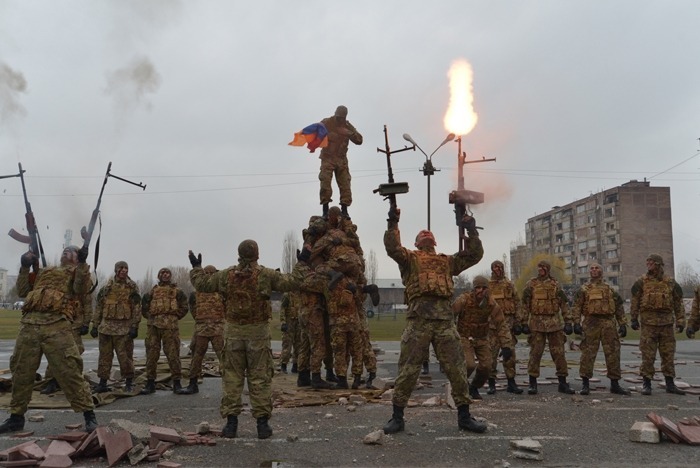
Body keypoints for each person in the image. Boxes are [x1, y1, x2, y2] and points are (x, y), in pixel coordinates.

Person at [382, 205, 487, 435]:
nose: (426, 235)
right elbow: (392, 248)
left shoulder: (446, 261)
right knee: (408, 369)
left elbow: (474, 255)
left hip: (444, 322)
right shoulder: (409, 258)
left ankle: (465, 416)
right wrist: (393, 222)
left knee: (457, 369)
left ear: (434, 242)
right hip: (419, 321)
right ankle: (397, 417)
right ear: (418, 243)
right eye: (422, 235)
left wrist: (471, 231)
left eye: (429, 235)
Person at [188, 240, 301, 439]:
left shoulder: (226, 275)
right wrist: (303, 263)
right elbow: (293, 282)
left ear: (239, 254)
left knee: (232, 378)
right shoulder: (265, 275)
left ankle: (231, 425)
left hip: (233, 334)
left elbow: (202, 284)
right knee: (260, 378)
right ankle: (262, 425)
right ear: (257, 254)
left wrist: (196, 268)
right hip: (257, 334)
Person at [0, 246, 98, 434]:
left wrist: (84, 264)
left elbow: (80, 289)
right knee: (21, 371)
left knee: (70, 370)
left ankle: (89, 416)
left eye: (71, 252)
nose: (66, 253)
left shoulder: (78, 272)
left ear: (77, 259)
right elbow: (22, 291)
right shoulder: (44, 271)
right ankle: (16, 417)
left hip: (57, 325)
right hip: (29, 324)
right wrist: (24, 267)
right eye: (64, 251)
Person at [630, 254, 686, 395]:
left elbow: (678, 303)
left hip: (666, 325)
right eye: (647, 261)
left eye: (651, 262)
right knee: (648, 356)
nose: (648, 264)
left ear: (658, 264)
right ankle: (647, 384)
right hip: (648, 326)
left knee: (668, 356)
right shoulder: (641, 281)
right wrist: (633, 318)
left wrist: (680, 321)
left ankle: (670, 384)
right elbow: (635, 301)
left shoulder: (670, 282)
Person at [571, 263, 630, 396]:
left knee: (613, 353)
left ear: (601, 271)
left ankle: (615, 384)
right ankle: (585, 385)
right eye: (591, 268)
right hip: (590, 323)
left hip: (608, 324)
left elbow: (619, 307)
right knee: (587, 354)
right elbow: (576, 307)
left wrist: (622, 323)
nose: (594, 270)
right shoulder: (584, 289)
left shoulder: (610, 289)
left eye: (596, 268)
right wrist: (576, 323)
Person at [453, 276, 513, 400]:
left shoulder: (491, 304)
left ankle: (474, 387)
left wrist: (506, 345)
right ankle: (459, 386)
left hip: (481, 337)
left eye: (484, 288)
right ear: (473, 289)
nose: (481, 291)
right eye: (478, 288)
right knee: (469, 365)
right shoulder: (463, 300)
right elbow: (449, 315)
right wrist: (451, 335)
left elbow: (501, 324)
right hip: (464, 337)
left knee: (487, 366)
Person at [521, 260, 575, 395]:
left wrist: (568, 321)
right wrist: (522, 322)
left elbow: (564, 303)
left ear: (548, 269)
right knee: (535, 354)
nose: (541, 270)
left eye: (543, 268)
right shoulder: (531, 285)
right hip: (536, 324)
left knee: (559, 354)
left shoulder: (555, 285)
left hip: (554, 324)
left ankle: (563, 382)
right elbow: (525, 304)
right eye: (539, 268)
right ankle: (532, 383)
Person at [140, 267, 192, 395]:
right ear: (159, 275)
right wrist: (151, 317)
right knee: (151, 356)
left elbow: (185, 307)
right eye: (162, 273)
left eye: (167, 273)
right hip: (153, 328)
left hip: (170, 328)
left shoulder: (177, 292)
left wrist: (174, 317)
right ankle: (150, 383)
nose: (165, 275)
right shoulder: (152, 292)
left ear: (170, 275)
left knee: (173, 355)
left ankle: (177, 384)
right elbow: (144, 307)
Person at [91, 261, 141, 393]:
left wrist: (135, 326)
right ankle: (102, 382)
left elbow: (136, 307)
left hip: (124, 330)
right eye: (121, 268)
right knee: (104, 357)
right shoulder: (107, 287)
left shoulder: (132, 287)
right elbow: (99, 307)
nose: (124, 270)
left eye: (126, 268)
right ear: (116, 270)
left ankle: (129, 382)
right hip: (106, 329)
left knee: (125, 357)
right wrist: (95, 325)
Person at [185, 265, 225, 394]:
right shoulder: (196, 293)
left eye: (211, 273)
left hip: (217, 329)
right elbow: (193, 309)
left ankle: (230, 385)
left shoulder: (221, 291)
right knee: (197, 356)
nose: (208, 275)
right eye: (206, 273)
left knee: (224, 357)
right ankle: (192, 383)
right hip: (201, 329)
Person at [41, 291, 92, 395]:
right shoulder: (60, 283)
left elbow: (87, 306)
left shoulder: (82, 287)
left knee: (75, 353)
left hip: (75, 325)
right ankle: (51, 381)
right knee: (54, 352)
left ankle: (74, 382)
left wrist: (86, 324)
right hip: (58, 324)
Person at [318, 105, 363, 219]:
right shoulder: (327, 122)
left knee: (345, 184)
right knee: (325, 182)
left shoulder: (347, 126)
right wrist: (328, 136)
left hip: (341, 159)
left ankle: (344, 210)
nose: (339, 120)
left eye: (341, 118)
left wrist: (348, 133)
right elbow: (316, 132)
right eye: (338, 117)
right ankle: (325, 210)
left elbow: (359, 140)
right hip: (328, 158)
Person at [487, 260, 523, 394]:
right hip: (491, 327)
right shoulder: (487, 286)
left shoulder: (509, 285)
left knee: (509, 355)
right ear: (492, 269)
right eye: (495, 268)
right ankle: (491, 383)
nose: (497, 270)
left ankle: (511, 383)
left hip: (507, 326)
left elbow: (517, 303)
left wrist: (519, 322)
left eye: (499, 267)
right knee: (491, 356)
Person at [279, 291, 300, 374]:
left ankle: (296, 365)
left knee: (298, 345)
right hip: (289, 322)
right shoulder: (287, 295)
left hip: (298, 322)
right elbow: (282, 309)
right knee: (287, 345)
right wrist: (283, 322)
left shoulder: (300, 294)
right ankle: (283, 365)